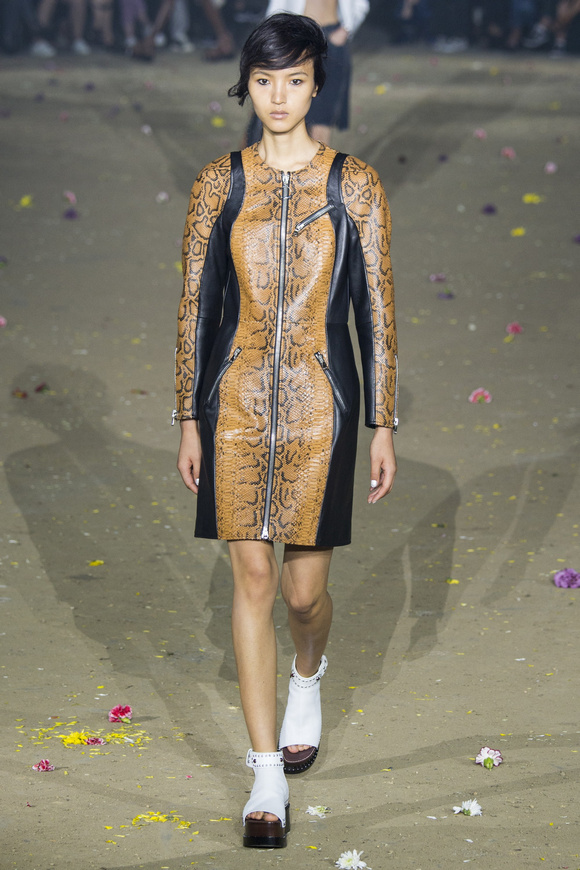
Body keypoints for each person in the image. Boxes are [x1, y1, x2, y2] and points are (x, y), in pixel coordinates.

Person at [174, 12, 398, 849]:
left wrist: (382, 422)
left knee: (304, 597)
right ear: (247, 84)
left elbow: (377, 312)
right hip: (233, 403)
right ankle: (265, 776)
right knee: (254, 579)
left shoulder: (356, 185)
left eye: (295, 80)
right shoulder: (218, 184)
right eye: (264, 80)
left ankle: (309, 672)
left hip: (320, 404)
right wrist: (187, 417)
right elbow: (196, 308)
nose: (278, 96)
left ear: (317, 86)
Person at [252, 0, 369, 143]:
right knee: (275, 118)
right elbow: (277, 7)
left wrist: (346, 29)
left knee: (321, 122)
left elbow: (360, 4)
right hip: (295, 40)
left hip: (331, 42)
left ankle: (319, 158)